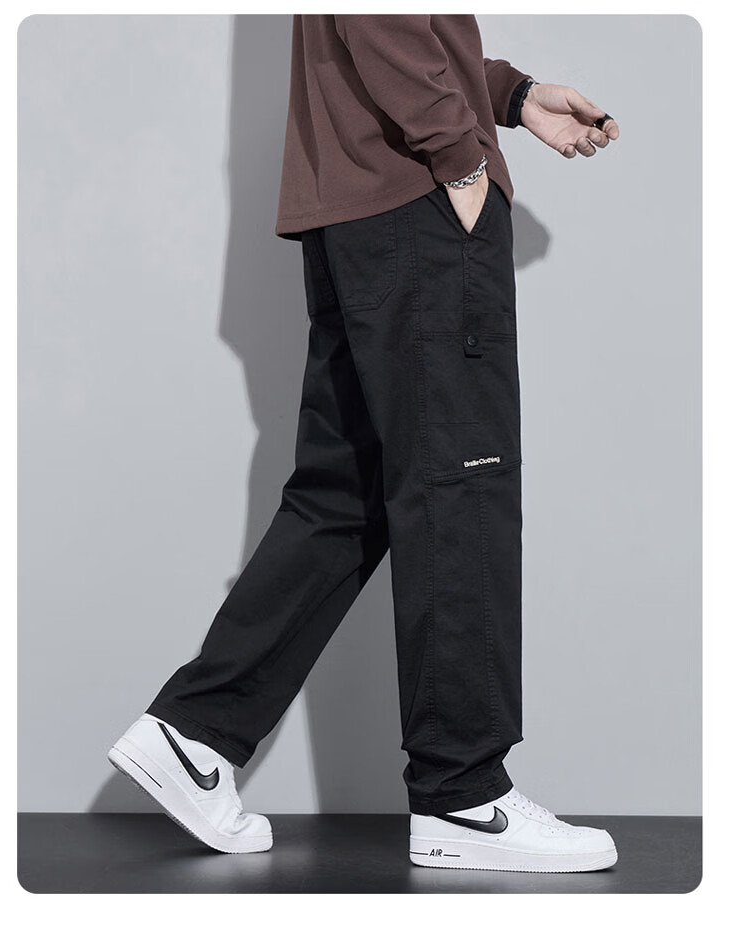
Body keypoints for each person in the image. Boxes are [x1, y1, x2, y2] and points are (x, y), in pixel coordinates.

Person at [108, 14, 621, 872]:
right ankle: (464, 795)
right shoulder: (437, 165)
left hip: (359, 208)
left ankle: (195, 736)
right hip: (416, 199)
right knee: (462, 487)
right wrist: (458, 152)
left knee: (346, 494)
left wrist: (511, 94)